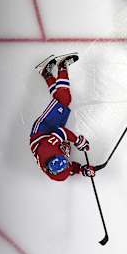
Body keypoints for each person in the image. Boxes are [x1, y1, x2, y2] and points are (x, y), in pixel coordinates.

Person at [30, 53, 96, 181]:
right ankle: (46, 73)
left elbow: (61, 132)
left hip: (42, 130)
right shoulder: (60, 174)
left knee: (64, 100)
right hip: (50, 136)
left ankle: (62, 66)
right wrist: (83, 170)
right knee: (60, 100)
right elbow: (70, 169)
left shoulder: (47, 150)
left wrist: (77, 141)